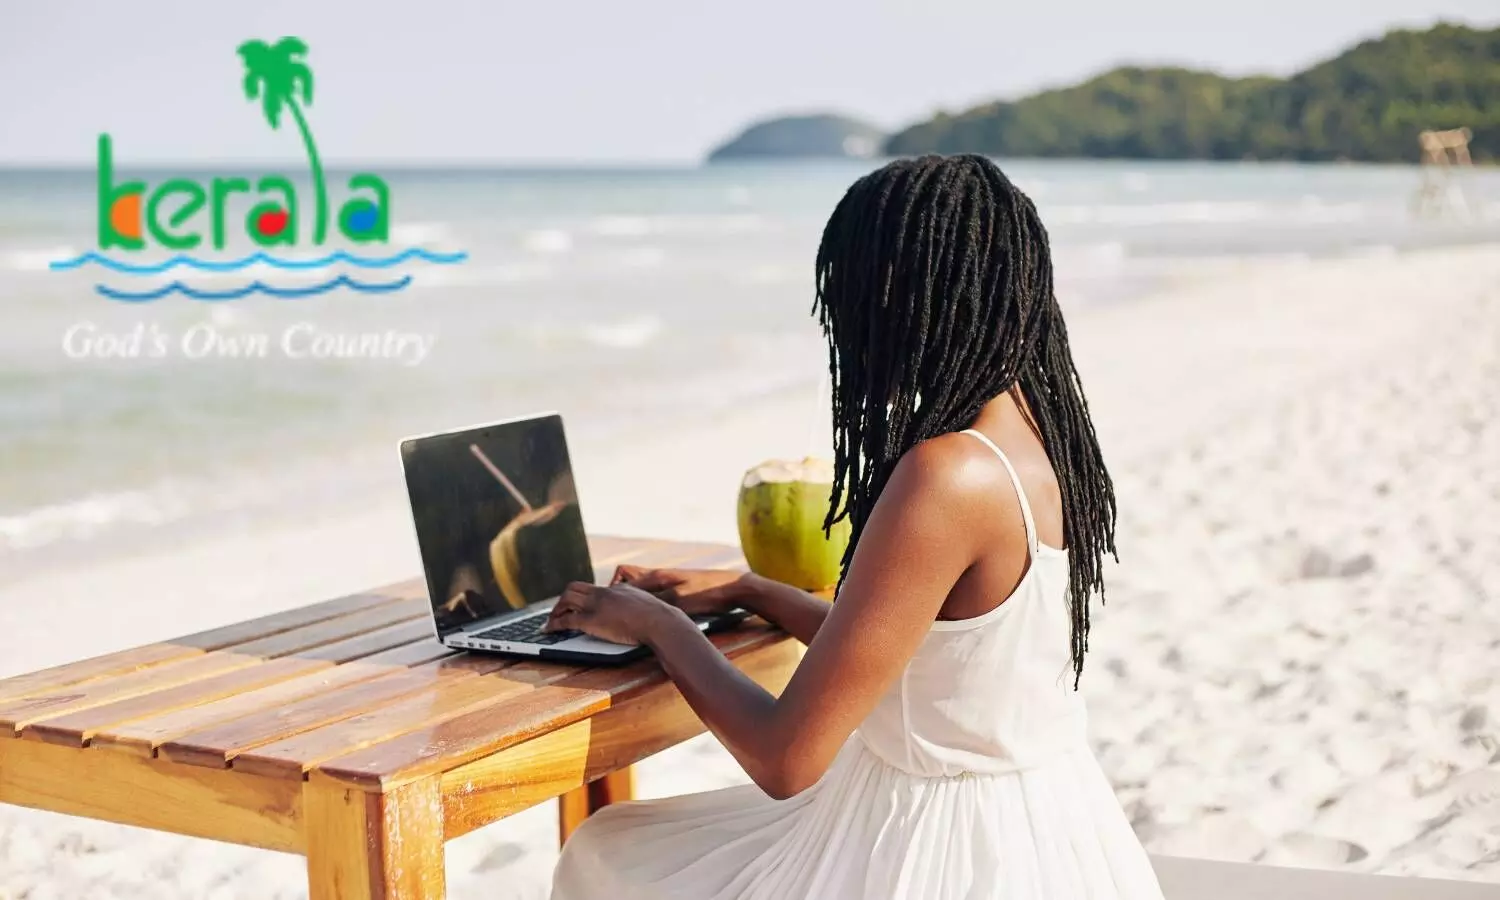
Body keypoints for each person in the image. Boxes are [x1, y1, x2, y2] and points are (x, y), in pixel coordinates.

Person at [544, 154, 1165, 899]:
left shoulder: (947, 476)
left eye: (850, 298)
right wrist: (754, 592)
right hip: (1043, 829)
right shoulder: (1041, 437)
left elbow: (786, 760)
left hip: (932, 848)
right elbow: (928, 664)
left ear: (903, 302)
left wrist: (655, 625)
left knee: (607, 849)